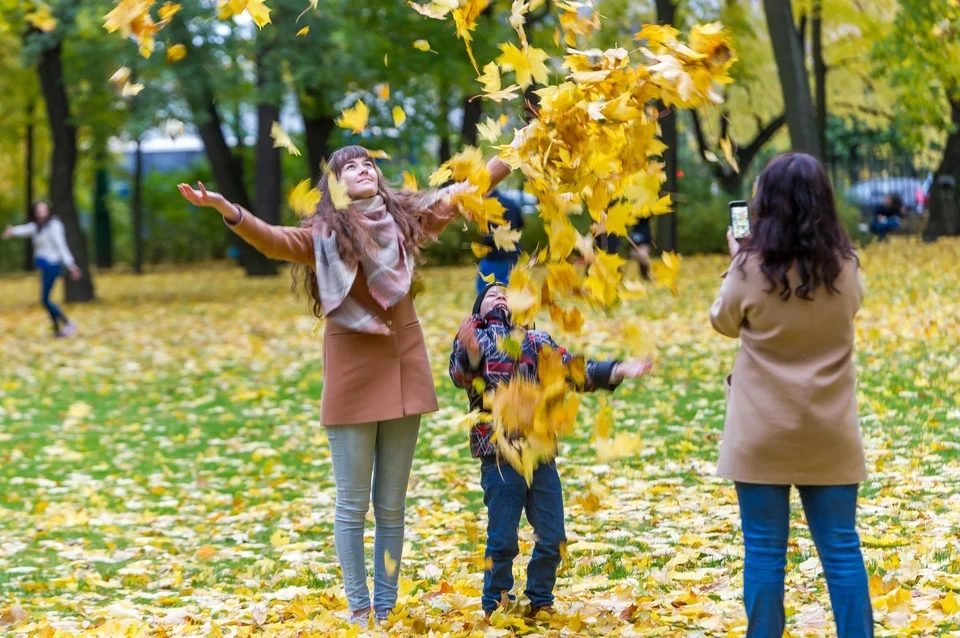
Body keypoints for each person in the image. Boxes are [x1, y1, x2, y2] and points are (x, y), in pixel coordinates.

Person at [177, 145, 513, 627]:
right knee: (353, 504)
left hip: (403, 370)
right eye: (349, 166)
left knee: (391, 505)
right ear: (334, 185)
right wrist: (225, 208)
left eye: (369, 163)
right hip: (353, 376)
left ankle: (385, 607)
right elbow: (272, 241)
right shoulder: (323, 235)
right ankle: (359, 609)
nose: (362, 169)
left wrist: (523, 149)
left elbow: (469, 190)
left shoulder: (407, 221)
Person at [710, 152, 872, 637]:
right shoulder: (846, 268)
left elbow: (723, 321)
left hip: (761, 431)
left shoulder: (750, 268)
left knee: (763, 552)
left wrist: (736, 258)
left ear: (766, 204)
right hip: (829, 428)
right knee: (842, 550)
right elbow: (853, 308)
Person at [449, 282, 653, 618]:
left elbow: (574, 370)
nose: (500, 296)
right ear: (477, 312)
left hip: (540, 451)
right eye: (491, 295)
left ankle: (540, 599)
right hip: (500, 454)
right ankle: (495, 604)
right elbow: (461, 374)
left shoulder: (537, 341)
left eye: (506, 293)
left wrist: (616, 370)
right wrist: (469, 350)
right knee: (502, 539)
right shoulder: (477, 339)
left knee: (553, 535)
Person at [2, 202, 81, 337]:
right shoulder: (37, 226)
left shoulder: (54, 226)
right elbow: (25, 229)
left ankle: (68, 323)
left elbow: (62, 246)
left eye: (43, 210)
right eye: (38, 210)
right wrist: (12, 231)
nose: (40, 212)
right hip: (45, 266)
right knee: (46, 299)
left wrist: (71, 265)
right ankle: (57, 331)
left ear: (48, 210)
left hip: (53, 265)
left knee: (45, 300)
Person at [475, 189, 525, 293]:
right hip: (513, 253)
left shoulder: (488, 205)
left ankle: (485, 308)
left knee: (483, 287)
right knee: (507, 289)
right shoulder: (510, 202)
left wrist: (481, 250)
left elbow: (489, 236)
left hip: (495, 255)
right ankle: (504, 308)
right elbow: (521, 223)